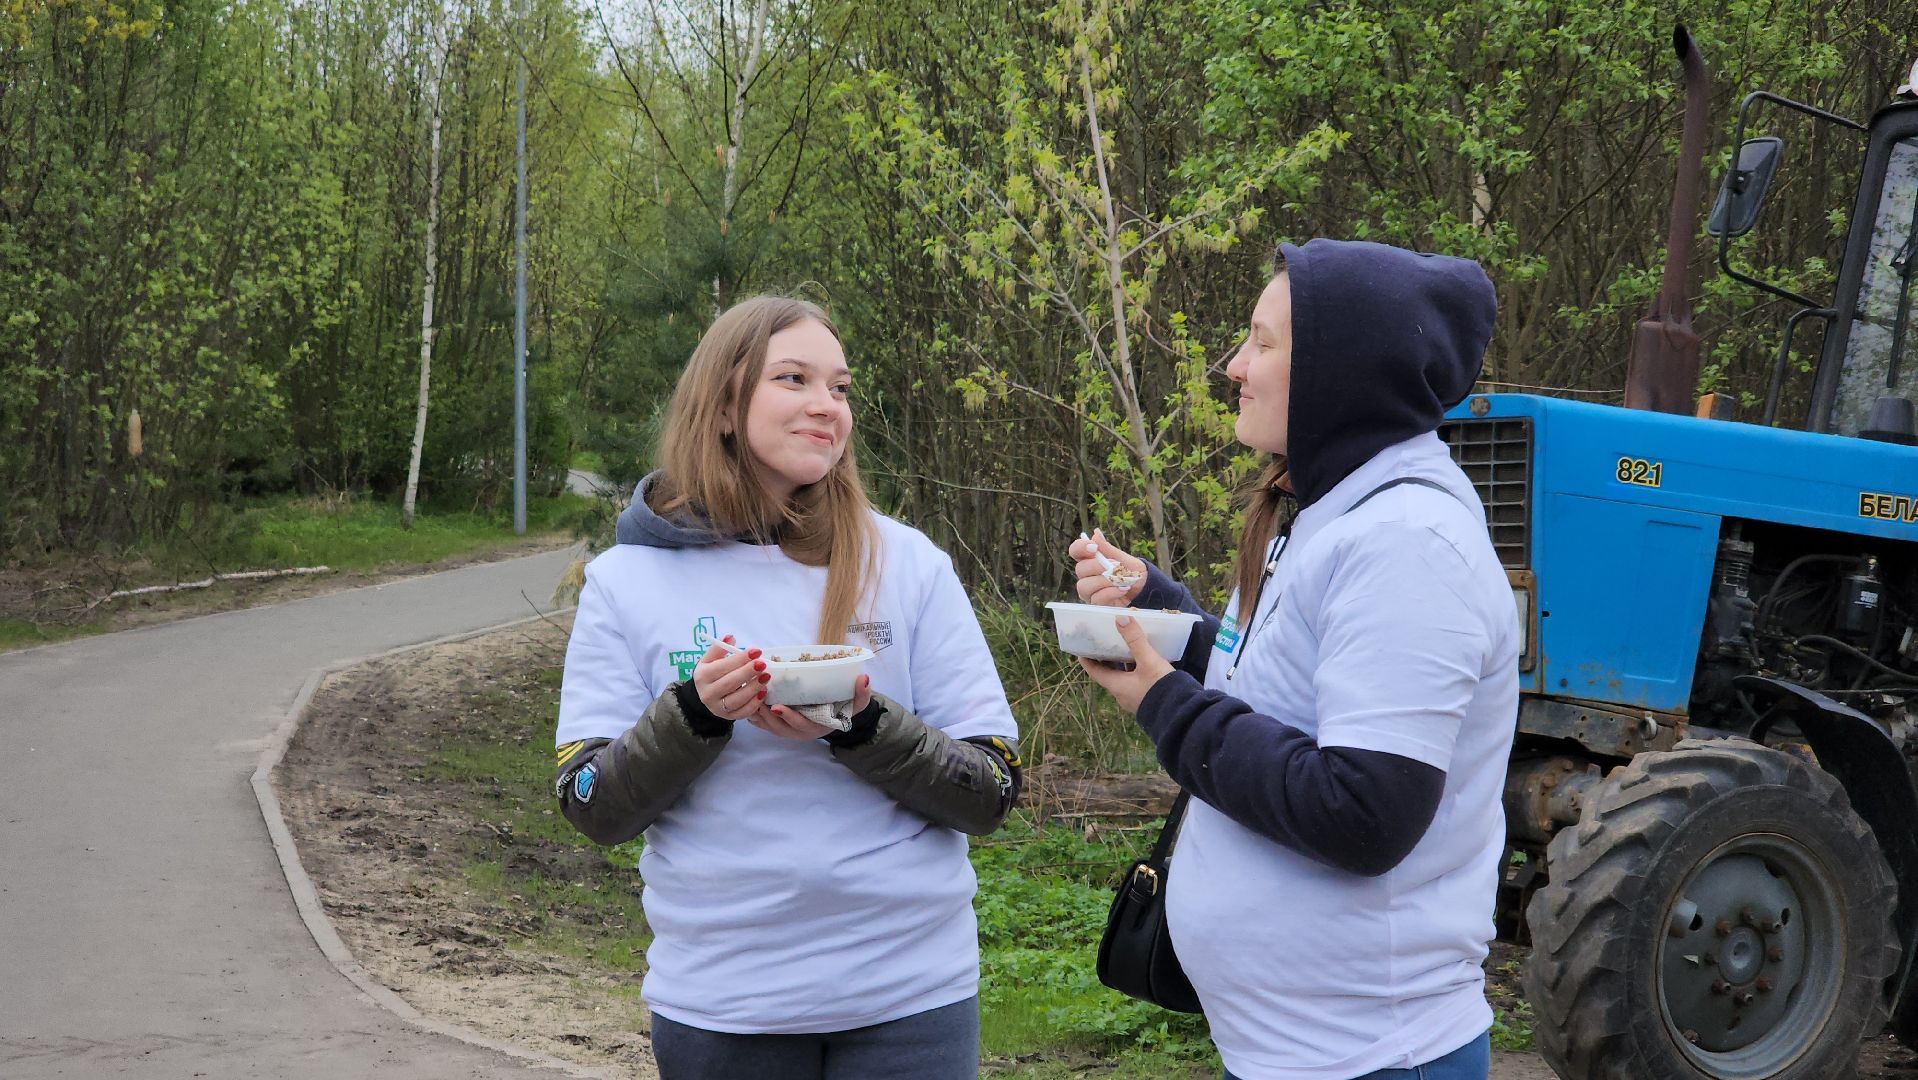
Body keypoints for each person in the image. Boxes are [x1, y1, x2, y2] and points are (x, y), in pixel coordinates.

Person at [1070, 239, 1518, 1080]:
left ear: (1342, 369)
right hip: (1303, 1053)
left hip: (1372, 1059)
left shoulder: (1406, 545)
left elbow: (1363, 810)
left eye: (1262, 342)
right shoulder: (1328, 516)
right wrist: (1159, 612)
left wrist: (1163, 704)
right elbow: (1267, 686)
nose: (1234, 366)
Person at [553, 295, 1022, 1080]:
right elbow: (590, 800)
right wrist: (695, 715)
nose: (824, 406)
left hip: (911, 1000)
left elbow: (993, 786)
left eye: (838, 388)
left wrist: (861, 726)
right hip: (724, 1006)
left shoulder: (908, 565)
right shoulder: (626, 581)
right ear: (726, 406)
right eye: (794, 378)